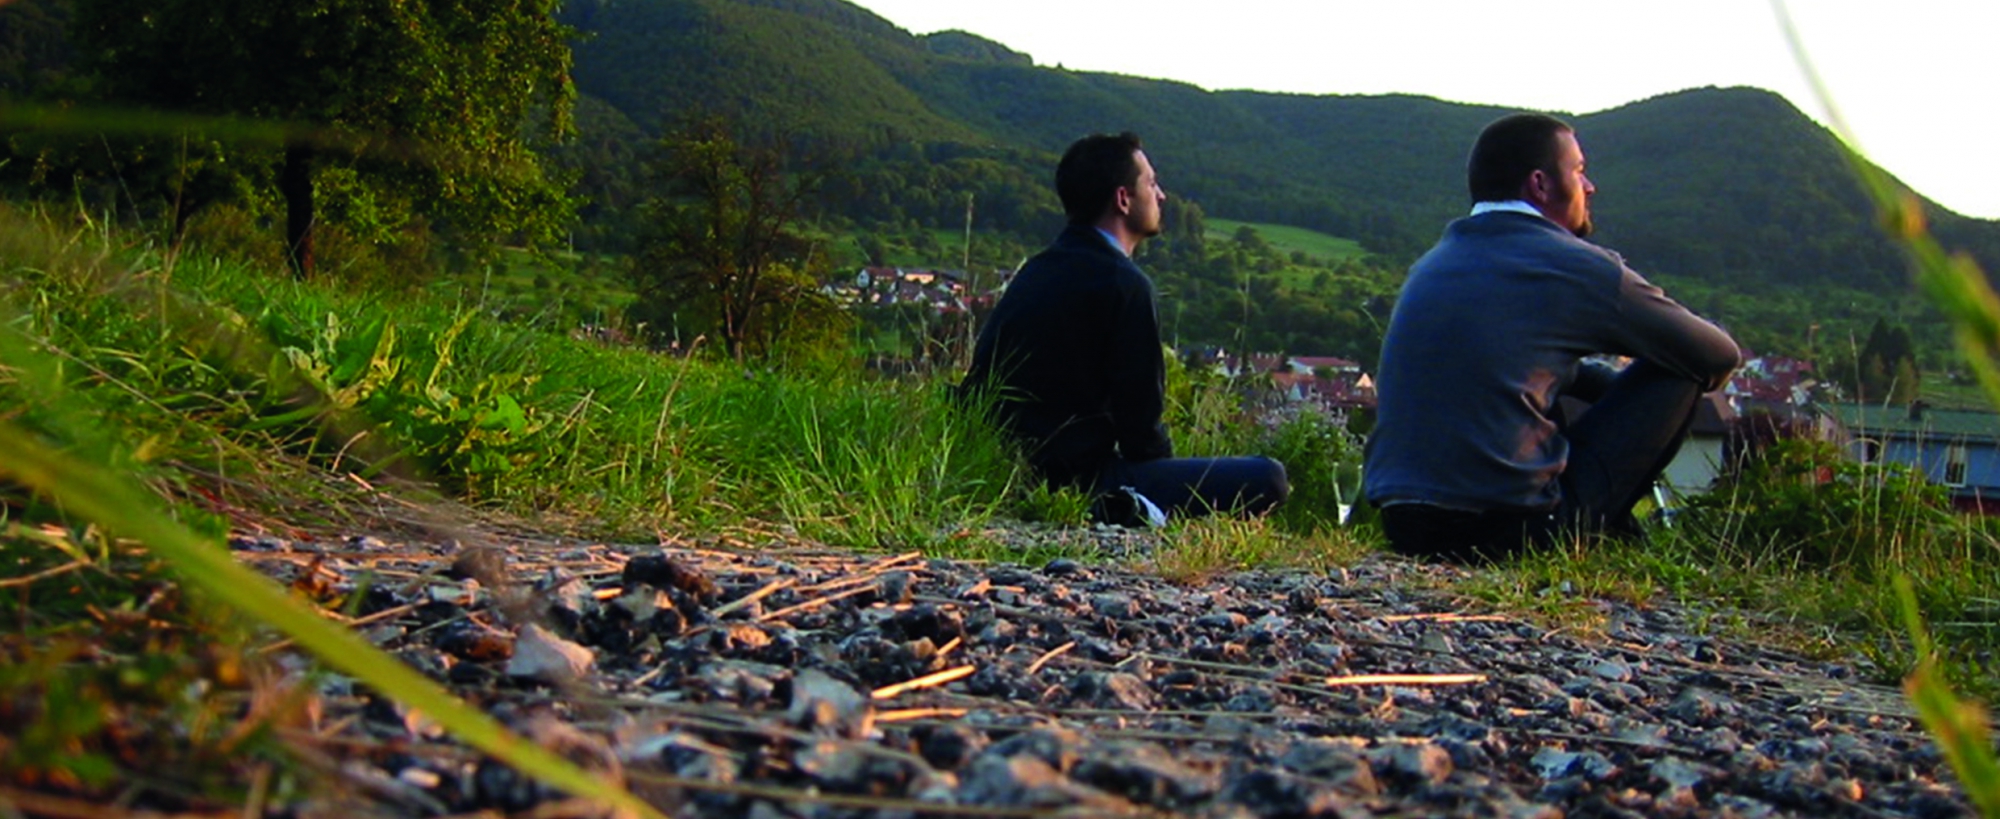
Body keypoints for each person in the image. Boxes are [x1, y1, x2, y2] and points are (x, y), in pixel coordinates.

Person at [1363, 113, 1741, 562]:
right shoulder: (1578, 265)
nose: (1590, 187)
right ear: (1540, 184)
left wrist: (1589, 381)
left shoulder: (1432, 264)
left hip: (1404, 524)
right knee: (1677, 369)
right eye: (1579, 171)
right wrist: (1626, 394)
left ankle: (1618, 539)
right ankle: (1608, 539)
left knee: (1556, 388)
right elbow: (1717, 355)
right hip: (1510, 531)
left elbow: (1502, 364)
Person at [960, 132, 1288, 526]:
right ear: (1123, 199)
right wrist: (1166, 481)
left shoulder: (1037, 269)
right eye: (1151, 183)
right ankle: (1138, 511)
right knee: (1268, 476)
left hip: (1006, 468)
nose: (1161, 195)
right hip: (1082, 480)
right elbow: (1141, 432)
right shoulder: (1124, 284)